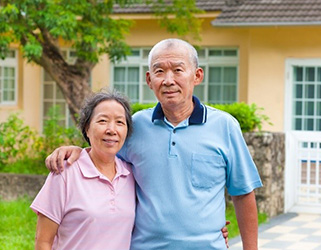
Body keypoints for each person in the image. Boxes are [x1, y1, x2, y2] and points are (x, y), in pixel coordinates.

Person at [46, 38, 262, 250]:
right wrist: (78, 151)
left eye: (178, 70)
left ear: (197, 75)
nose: (168, 80)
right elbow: (104, 159)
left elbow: (243, 192)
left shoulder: (224, 126)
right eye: (159, 72)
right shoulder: (135, 126)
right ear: (149, 80)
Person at [31, 90, 136, 249]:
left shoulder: (131, 174)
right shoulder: (65, 173)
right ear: (87, 128)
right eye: (102, 121)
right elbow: (43, 241)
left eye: (120, 122)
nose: (111, 129)